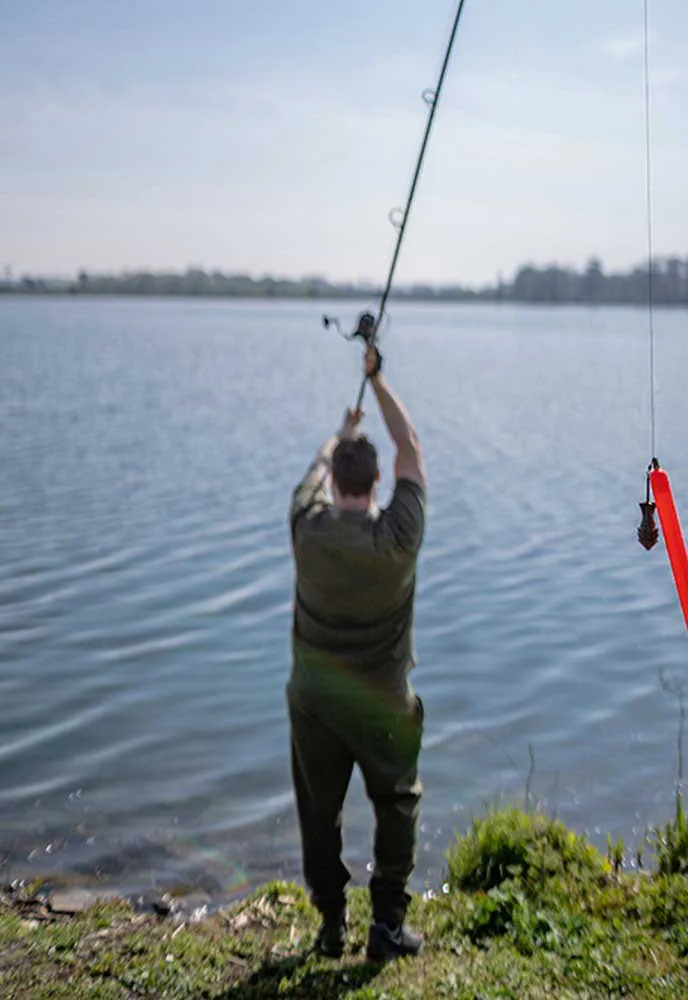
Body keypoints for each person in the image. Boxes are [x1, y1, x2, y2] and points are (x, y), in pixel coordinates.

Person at [286, 342, 427, 962]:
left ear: (335, 482)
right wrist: (380, 381)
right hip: (384, 707)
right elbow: (410, 447)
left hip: (315, 705)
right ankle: (386, 926)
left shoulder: (306, 528)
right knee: (396, 806)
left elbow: (314, 473)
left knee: (319, 813)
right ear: (376, 484)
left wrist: (339, 434)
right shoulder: (398, 536)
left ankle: (331, 925)